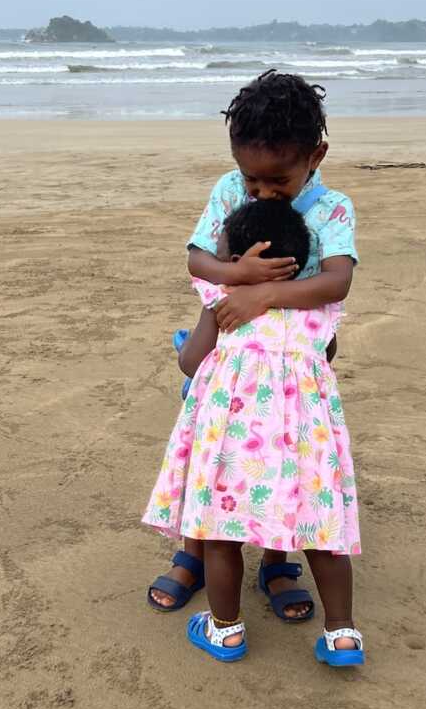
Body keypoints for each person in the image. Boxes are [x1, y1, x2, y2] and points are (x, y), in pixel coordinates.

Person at [148, 71, 358, 619]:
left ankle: (278, 560)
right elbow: (198, 259)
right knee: (213, 451)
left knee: (286, 457)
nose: (262, 193)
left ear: (316, 155)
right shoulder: (226, 189)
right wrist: (234, 272)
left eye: (278, 182)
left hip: (296, 355)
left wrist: (265, 294)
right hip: (228, 344)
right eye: (251, 181)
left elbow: (335, 281)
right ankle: (192, 549)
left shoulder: (332, 207)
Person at [142, 198, 363, 666]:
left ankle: (225, 631)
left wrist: (194, 345)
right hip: (305, 442)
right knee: (322, 534)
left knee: (221, 536)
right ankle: (342, 634)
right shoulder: (319, 310)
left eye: (225, 252)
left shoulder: (222, 299)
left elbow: (191, 362)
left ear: (244, 259)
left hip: (233, 445)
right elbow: (326, 355)